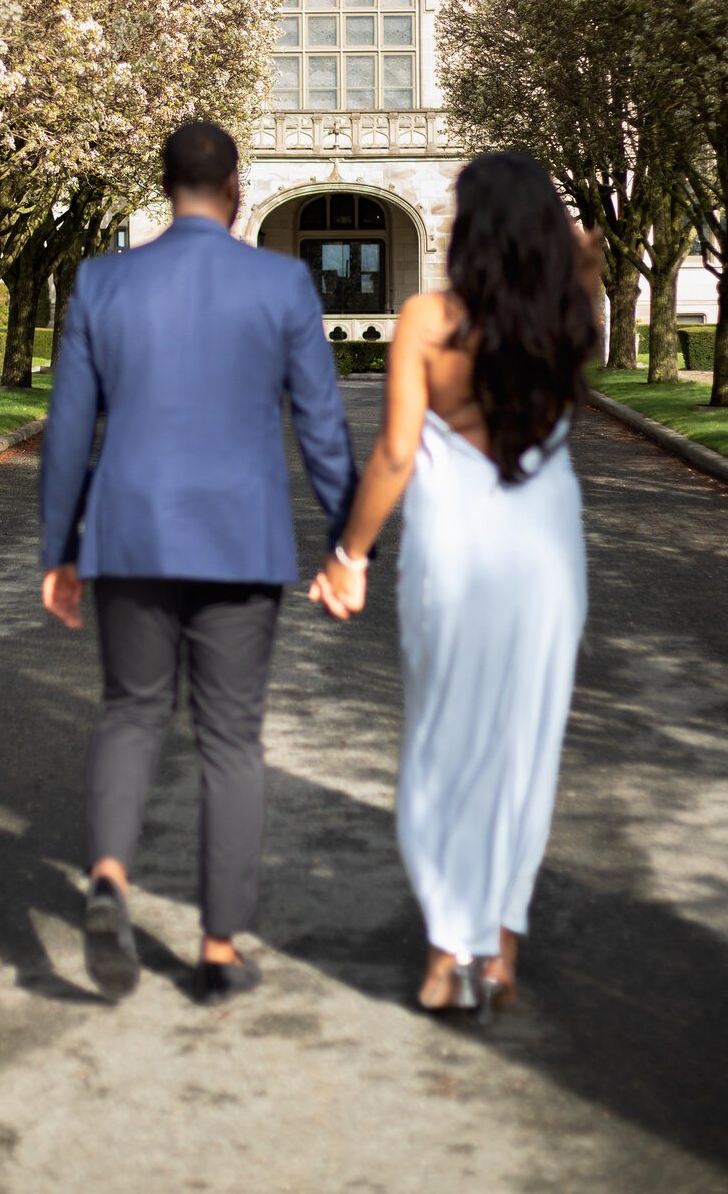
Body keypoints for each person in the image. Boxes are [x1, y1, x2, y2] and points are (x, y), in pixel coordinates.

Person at [40, 121, 356, 1003]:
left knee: (131, 713)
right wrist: (348, 542)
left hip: (130, 535)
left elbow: (69, 431)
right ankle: (218, 950)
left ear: (166, 184)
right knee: (230, 742)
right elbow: (322, 427)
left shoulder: (103, 280)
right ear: (238, 188)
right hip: (239, 540)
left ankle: (108, 876)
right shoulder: (282, 282)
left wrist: (59, 548)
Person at [312, 152, 600, 1018]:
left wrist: (348, 556)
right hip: (545, 548)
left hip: (453, 548)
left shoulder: (427, 319)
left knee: (442, 745)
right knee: (524, 748)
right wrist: (561, 240)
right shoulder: (569, 310)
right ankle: (501, 952)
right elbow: (585, 249)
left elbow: (397, 453)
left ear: (466, 227)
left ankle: (448, 952)